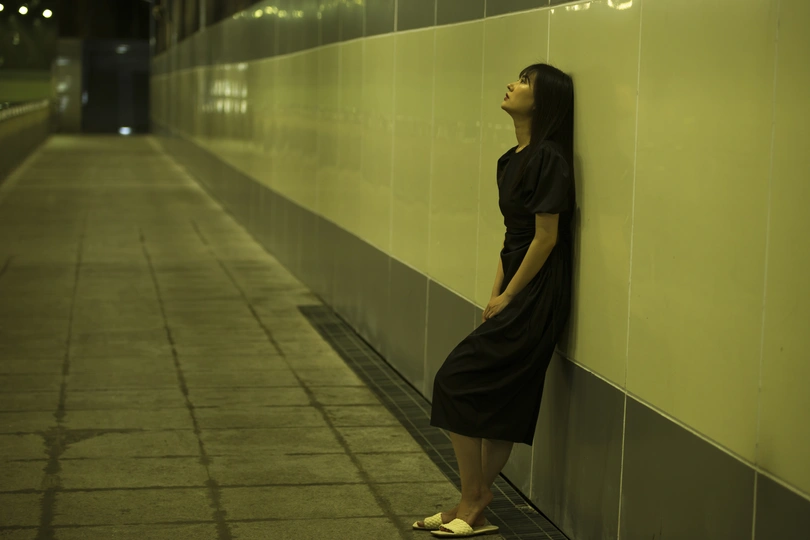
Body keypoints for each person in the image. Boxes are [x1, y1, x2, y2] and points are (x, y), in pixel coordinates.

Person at [414, 63, 576, 538]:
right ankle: (474, 503)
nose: (512, 84)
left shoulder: (550, 158)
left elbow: (546, 238)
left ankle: (473, 498)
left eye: (525, 82)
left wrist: (509, 294)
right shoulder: (511, 159)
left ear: (543, 101)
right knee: (503, 403)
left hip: (539, 291)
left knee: (454, 381)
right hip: (517, 284)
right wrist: (494, 291)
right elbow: (513, 235)